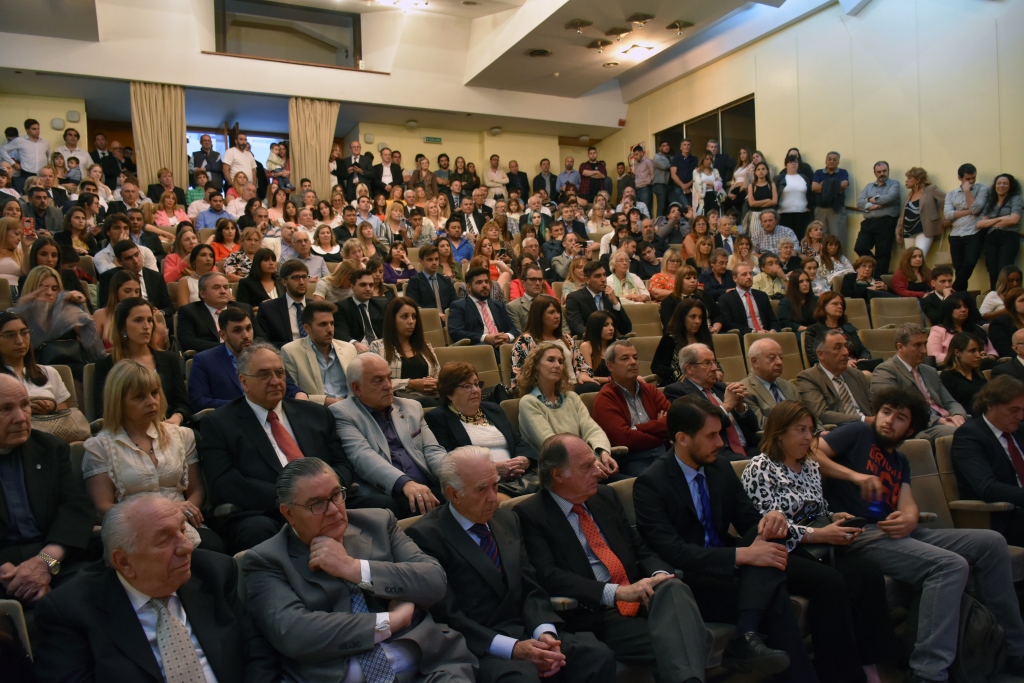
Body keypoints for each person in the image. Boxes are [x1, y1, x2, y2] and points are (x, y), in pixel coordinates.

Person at [815, 387, 1024, 682]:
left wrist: (910, 517)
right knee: (950, 565)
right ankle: (927, 672)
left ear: (910, 429)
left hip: (896, 533)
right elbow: (812, 452)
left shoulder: (900, 461)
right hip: (858, 533)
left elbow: (908, 502)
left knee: (992, 543)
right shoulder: (858, 433)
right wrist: (856, 475)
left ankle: (1014, 649)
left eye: (900, 418)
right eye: (886, 412)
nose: (889, 421)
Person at [241, 457, 476, 682]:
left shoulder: (378, 523)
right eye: (317, 504)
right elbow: (294, 633)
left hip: (430, 668)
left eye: (336, 495)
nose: (333, 510)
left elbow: (434, 581)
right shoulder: (267, 560)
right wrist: (389, 621)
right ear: (288, 513)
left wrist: (354, 568)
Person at [405, 447, 619, 683]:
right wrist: (514, 648)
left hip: (527, 629)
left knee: (595, 655)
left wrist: (545, 633)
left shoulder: (507, 519)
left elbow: (531, 587)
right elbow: (448, 615)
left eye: (495, 486)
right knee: (522, 678)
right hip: (480, 645)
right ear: (454, 494)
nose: (493, 497)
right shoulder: (427, 536)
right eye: (481, 489)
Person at [633, 399, 812, 680]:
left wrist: (771, 518)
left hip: (731, 567)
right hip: (691, 580)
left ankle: (746, 636)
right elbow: (674, 552)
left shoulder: (719, 468)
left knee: (765, 534)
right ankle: (748, 637)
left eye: (720, 433)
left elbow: (749, 522)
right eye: (711, 435)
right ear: (682, 438)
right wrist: (743, 556)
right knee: (777, 601)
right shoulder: (650, 484)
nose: (720, 442)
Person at [515, 434, 711, 683]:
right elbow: (550, 576)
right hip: (598, 612)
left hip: (642, 595)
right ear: (557, 475)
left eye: (594, 462)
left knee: (672, 585)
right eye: (586, 467)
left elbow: (639, 548)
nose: (597, 471)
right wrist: (615, 592)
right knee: (688, 642)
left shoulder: (605, 497)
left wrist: (658, 574)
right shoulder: (531, 514)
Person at [33, 494, 278, 682]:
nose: (186, 547)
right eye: (164, 540)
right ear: (124, 562)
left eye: (182, 530)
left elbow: (258, 655)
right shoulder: (69, 611)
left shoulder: (214, 572)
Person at [741, 401, 895, 683]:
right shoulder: (759, 468)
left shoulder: (810, 465)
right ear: (779, 433)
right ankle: (840, 674)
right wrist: (820, 534)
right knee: (831, 581)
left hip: (818, 544)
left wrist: (836, 517)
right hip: (782, 550)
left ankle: (871, 664)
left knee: (866, 572)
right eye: (800, 430)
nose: (808, 437)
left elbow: (818, 510)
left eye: (811, 430)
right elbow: (767, 527)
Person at [200, 343, 355, 552]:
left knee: (378, 504)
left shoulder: (316, 414)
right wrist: (291, 500)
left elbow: (342, 464)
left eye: (279, 373)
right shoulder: (219, 424)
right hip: (266, 511)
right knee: (257, 531)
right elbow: (224, 482)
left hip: (327, 501)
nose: (275, 381)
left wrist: (327, 495)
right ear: (244, 381)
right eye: (264, 375)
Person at [84, 359, 223, 552]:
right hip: (134, 531)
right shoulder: (99, 447)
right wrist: (159, 518)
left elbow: (196, 490)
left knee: (215, 552)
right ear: (119, 401)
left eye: (155, 393)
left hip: (184, 523)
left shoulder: (182, 436)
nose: (151, 402)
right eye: (139, 397)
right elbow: (103, 508)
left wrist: (184, 512)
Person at [0, 373, 92, 606]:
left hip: (53, 556)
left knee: (96, 597)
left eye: (24, 405)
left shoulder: (50, 448)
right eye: (5, 409)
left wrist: (45, 563)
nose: (21, 418)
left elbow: (76, 508)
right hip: (4, 564)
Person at [330, 353, 446, 518]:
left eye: (389, 378)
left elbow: (433, 450)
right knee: (418, 507)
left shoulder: (412, 407)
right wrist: (406, 483)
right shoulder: (343, 413)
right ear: (357, 388)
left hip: (426, 484)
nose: (388, 386)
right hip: (387, 490)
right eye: (378, 381)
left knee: (461, 494)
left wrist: (454, 476)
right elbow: (363, 457)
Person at [425, 362, 538, 500]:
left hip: (519, 478)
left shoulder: (493, 409)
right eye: (467, 386)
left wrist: (524, 459)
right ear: (449, 393)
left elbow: (517, 441)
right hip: (480, 485)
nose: (475, 390)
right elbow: (450, 461)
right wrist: (492, 469)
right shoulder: (438, 418)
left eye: (477, 384)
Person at [517, 342, 619, 477]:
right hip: (561, 473)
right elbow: (552, 444)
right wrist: (590, 462)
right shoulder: (529, 402)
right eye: (550, 360)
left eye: (560, 361)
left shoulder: (572, 397)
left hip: (589, 465)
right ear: (536, 365)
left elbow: (591, 429)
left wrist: (603, 452)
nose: (557, 365)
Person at [188, 307, 305, 412]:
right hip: (231, 420)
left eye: (249, 328)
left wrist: (299, 395)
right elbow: (199, 402)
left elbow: (289, 387)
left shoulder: (267, 355)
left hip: (273, 414)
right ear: (223, 335)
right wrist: (247, 405)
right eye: (237, 331)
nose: (246, 335)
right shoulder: (204, 360)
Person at [951, 375, 1024, 545]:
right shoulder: (969, 436)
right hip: (1002, 518)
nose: (1020, 416)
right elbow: (987, 488)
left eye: (1023, 410)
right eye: (1014, 410)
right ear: (991, 405)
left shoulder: (1020, 431)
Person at [93, 298, 189, 424]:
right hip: (127, 433)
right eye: (138, 320)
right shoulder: (106, 364)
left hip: (168, 427)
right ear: (122, 326)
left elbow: (182, 403)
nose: (146, 326)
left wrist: (177, 418)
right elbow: (104, 410)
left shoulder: (169, 359)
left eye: (150, 320)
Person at [871, 323, 966, 442]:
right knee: (965, 433)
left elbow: (950, 402)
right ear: (900, 347)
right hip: (922, 426)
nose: (924, 350)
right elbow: (894, 408)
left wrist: (958, 416)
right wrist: (937, 420)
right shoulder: (886, 370)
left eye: (925, 344)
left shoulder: (929, 371)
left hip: (946, 420)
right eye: (917, 345)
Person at [664, 343, 759, 460]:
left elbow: (754, 427)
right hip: (719, 452)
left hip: (750, 447)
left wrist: (740, 407)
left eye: (714, 362)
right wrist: (727, 406)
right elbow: (699, 426)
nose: (714, 368)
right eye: (707, 363)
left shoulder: (722, 388)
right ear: (689, 369)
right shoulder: (677, 392)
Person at [591, 340, 671, 475]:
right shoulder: (605, 398)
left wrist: (637, 428)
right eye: (625, 358)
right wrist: (659, 430)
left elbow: (674, 420)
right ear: (610, 366)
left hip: (665, 454)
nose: (633, 362)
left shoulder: (649, 390)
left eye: (635, 357)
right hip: (633, 460)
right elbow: (623, 438)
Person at [510, 295, 596, 393]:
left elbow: (582, 365)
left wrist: (583, 373)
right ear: (539, 316)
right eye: (551, 312)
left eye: (558, 312)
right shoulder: (525, 341)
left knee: (595, 388)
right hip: (546, 390)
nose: (557, 316)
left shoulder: (567, 339)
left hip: (573, 385)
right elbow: (518, 376)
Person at [280, 300, 358, 405]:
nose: (330, 329)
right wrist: (326, 401)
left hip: (351, 409)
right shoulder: (291, 352)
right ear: (307, 328)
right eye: (323, 324)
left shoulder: (349, 349)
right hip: (315, 412)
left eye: (332, 323)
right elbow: (292, 395)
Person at [0, 311, 74, 416]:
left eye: (24, 333)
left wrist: (51, 407)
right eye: (10, 335)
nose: (20, 341)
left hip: (49, 429)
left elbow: (65, 416)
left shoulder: (48, 372)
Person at [368, 296, 441, 403]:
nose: (411, 321)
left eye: (414, 317)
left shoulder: (425, 346)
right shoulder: (377, 347)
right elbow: (375, 383)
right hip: (397, 401)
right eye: (404, 316)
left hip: (433, 397)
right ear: (392, 319)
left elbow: (439, 375)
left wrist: (436, 383)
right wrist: (411, 383)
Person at [796, 329, 876, 425]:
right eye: (838, 347)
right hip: (841, 431)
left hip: (870, 428)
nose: (846, 352)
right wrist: (863, 420)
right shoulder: (809, 378)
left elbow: (873, 406)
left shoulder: (856, 374)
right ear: (821, 354)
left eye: (846, 346)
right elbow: (821, 414)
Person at [176, 272, 263, 353]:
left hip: (245, 355)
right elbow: (187, 341)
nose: (223, 291)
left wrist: (246, 347)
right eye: (216, 287)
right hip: (211, 356)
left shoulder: (244, 308)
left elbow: (260, 336)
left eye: (226, 287)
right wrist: (227, 347)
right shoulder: (189, 311)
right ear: (202, 293)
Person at [739, 338, 808, 431]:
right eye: (772, 358)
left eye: (781, 357)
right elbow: (760, 424)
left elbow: (806, 414)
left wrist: (820, 431)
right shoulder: (744, 389)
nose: (779, 362)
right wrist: (796, 429)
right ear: (755, 361)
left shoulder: (789, 386)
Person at [447, 267, 518, 355]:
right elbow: (455, 332)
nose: (485, 285)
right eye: (479, 282)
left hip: (504, 345)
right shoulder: (459, 306)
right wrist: (484, 338)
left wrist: (507, 337)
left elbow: (513, 329)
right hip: (480, 348)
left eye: (486, 281)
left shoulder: (498, 305)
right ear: (469, 287)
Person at [802, 291, 880, 371]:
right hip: (833, 370)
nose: (840, 307)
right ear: (823, 306)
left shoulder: (847, 327)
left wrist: (863, 359)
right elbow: (814, 358)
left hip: (856, 367)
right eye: (835, 304)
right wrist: (845, 362)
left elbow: (862, 349)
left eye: (841, 304)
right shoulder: (814, 330)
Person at [944, 163, 989, 291]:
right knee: (958, 268)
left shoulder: (982, 189)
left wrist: (967, 191)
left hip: (974, 232)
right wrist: (969, 211)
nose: (971, 181)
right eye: (968, 179)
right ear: (960, 178)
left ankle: (954, 290)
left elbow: (976, 208)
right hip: (956, 234)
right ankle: (961, 296)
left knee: (969, 263)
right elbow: (948, 215)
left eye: (973, 178)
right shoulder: (951, 194)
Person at [853, 161, 901, 275]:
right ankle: (874, 266)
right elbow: (859, 203)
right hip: (868, 222)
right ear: (875, 173)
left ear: (888, 170)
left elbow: (890, 198)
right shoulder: (869, 186)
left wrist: (870, 201)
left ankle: (879, 280)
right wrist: (874, 202)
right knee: (860, 247)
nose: (882, 174)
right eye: (879, 172)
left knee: (883, 253)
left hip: (886, 222)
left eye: (884, 171)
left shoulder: (894, 184)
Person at [652, 297, 713, 386]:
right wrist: (679, 376)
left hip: (705, 385)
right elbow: (656, 366)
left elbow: (713, 362)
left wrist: (718, 372)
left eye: (700, 317)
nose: (697, 321)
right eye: (693, 317)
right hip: (677, 386)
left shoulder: (705, 338)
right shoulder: (670, 338)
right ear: (682, 318)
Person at [927, 292, 998, 368]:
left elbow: (992, 351)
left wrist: (988, 357)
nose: (963, 310)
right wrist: (964, 358)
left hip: (982, 364)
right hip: (954, 368)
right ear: (948, 310)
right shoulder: (938, 330)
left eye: (966, 307)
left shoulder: (976, 328)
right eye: (958, 307)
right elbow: (934, 355)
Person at [978, 173, 1022, 290]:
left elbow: (1014, 219)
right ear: (995, 185)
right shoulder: (990, 202)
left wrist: (991, 221)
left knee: (1004, 269)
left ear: (1010, 186)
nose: (1001, 186)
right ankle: (994, 295)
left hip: (1009, 236)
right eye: (999, 183)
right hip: (991, 237)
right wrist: (1000, 219)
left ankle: (1006, 297)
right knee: (992, 270)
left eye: (1005, 183)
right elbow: (980, 224)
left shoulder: (1015, 199)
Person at [564, 262, 632, 338]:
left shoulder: (611, 298)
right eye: (598, 276)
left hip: (611, 343)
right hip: (589, 342)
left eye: (604, 275)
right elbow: (576, 325)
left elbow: (626, 329)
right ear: (587, 280)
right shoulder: (574, 298)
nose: (603, 279)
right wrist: (595, 337)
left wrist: (616, 303)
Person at [256, 259, 312, 347]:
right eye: (296, 278)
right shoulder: (268, 309)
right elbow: (263, 343)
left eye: (304, 277)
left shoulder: (316, 307)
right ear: (284, 282)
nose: (301, 282)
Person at [718, 263, 781, 336]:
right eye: (744, 274)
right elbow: (729, 324)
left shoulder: (762, 296)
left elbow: (773, 320)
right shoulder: (726, 299)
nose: (749, 277)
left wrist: (773, 330)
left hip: (767, 334)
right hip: (745, 336)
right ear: (735, 278)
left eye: (750, 274)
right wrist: (754, 332)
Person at [937, 332, 988, 416]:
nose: (978, 355)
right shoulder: (947, 377)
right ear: (957, 353)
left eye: (979, 350)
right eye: (972, 351)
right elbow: (948, 405)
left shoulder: (978, 374)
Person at [335, 268, 386, 345]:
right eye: (363, 285)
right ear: (352, 287)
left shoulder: (381, 305)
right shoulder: (341, 307)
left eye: (371, 285)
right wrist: (355, 344)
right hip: (356, 348)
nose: (368, 289)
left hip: (381, 347)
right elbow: (341, 333)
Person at [774, 154, 813, 241]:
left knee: (800, 237)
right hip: (784, 213)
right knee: (786, 239)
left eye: (795, 162)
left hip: (802, 213)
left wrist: (810, 206)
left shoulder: (804, 178)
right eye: (791, 162)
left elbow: (810, 193)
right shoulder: (780, 178)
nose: (793, 164)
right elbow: (775, 193)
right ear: (786, 165)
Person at [779, 270, 817, 334]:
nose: (805, 284)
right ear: (794, 284)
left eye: (807, 280)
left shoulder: (816, 300)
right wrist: (808, 329)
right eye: (801, 281)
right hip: (797, 334)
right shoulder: (785, 302)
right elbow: (785, 323)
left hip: (816, 332)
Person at [991, 287, 1024, 358]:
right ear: (1011, 304)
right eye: (1022, 300)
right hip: (1016, 362)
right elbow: (1004, 350)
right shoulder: (999, 323)